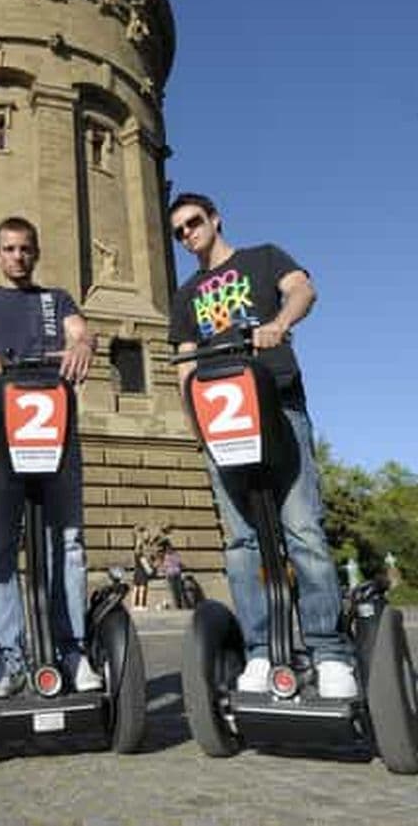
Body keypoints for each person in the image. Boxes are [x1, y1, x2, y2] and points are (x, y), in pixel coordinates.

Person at [167, 191, 356, 698]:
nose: (188, 235)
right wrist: (195, 426)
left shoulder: (262, 258)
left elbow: (302, 291)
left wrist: (278, 324)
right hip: (221, 423)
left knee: (303, 530)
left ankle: (329, 651)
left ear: (214, 218)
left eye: (193, 223)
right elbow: (186, 364)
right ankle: (259, 650)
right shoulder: (186, 296)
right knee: (241, 542)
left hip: (278, 405)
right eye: (179, 231)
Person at [0, 216, 102, 697]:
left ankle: (71, 648)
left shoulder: (55, 300)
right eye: (9, 249)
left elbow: (84, 332)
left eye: (25, 249)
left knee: (68, 542)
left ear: (35, 253)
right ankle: (8, 656)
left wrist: (81, 343)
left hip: (56, 430)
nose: (17, 257)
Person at [159, 539, 184, 610]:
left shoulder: (166, 555)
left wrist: (163, 569)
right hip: (175, 573)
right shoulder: (174, 554)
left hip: (172, 574)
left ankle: (177, 605)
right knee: (177, 590)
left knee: (174, 590)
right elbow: (178, 563)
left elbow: (165, 565)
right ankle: (178, 605)